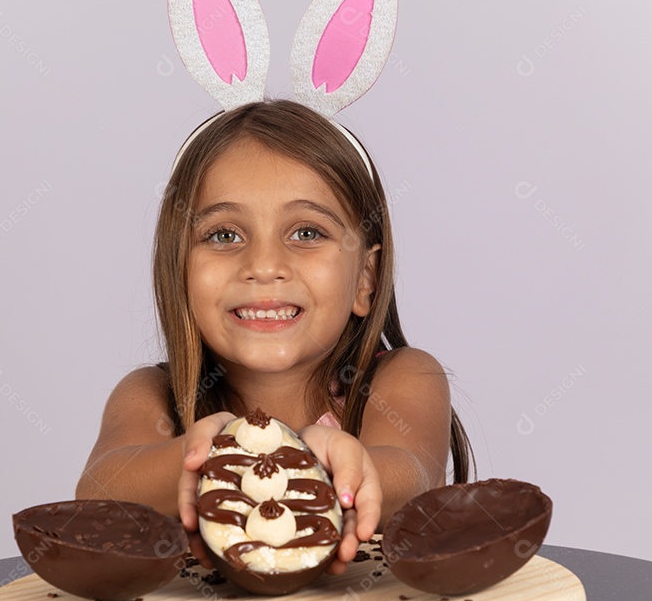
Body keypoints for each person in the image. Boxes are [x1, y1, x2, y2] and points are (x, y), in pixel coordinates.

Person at [76, 99, 473, 573]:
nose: (264, 266)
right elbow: (99, 490)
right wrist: (200, 458)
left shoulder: (402, 378)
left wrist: (336, 467)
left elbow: (412, 472)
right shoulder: (154, 397)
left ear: (365, 278)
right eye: (224, 235)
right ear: (178, 270)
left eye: (307, 232)